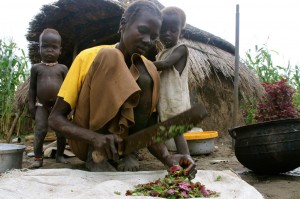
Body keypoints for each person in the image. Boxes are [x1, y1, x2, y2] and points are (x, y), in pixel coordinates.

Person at [48, 0, 196, 176]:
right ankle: (97, 157)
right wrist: (95, 138)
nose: (147, 40)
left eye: (153, 36)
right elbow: (55, 119)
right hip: (88, 141)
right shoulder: (89, 57)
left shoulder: (148, 69)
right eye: (142, 31)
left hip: (122, 146)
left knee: (148, 70)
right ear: (123, 24)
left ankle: (127, 152)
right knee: (111, 56)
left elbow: (147, 130)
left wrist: (168, 158)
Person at [28, 28, 69, 168]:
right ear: (39, 48)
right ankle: (38, 158)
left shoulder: (63, 68)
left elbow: (68, 89)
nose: (49, 50)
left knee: (61, 131)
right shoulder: (36, 68)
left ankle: (59, 155)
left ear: (60, 50)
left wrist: (69, 106)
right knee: (40, 130)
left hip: (59, 106)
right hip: (42, 106)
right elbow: (32, 89)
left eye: (54, 47)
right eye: (45, 46)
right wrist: (31, 106)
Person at [153, 7, 191, 155]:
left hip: (175, 98)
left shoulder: (181, 49)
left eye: (173, 30)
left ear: (182, 32)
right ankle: (170, 158)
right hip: (164, 98)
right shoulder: (161, 53)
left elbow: (165, 65)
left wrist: (143, 64)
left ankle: (186, 158)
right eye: (163, 30)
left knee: (176, 131)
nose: (167, 34)